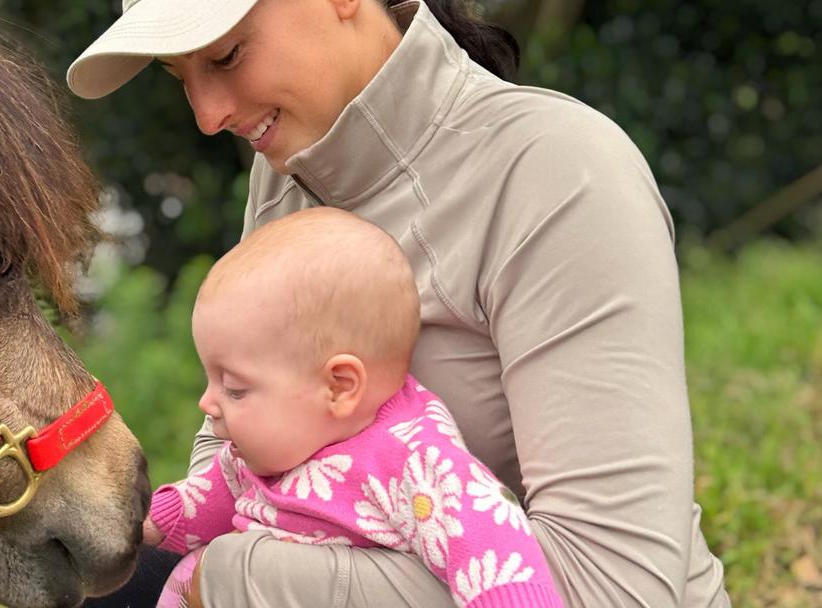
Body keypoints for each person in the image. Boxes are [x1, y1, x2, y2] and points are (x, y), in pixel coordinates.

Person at [68, 0, 730, 606]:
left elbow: (618, 588)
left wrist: (232, 577)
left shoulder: (557, 171)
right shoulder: (287, 173)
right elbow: (230, 458)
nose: (206, 115)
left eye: (225, 56)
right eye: (181, 77)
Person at [144, 206, 564, 608]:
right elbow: (209, 498)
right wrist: (147, 522)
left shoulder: (413, 462)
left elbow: (494, 549)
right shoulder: (264, 453)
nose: (207, 402)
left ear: (340, 387)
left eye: (234, 388)